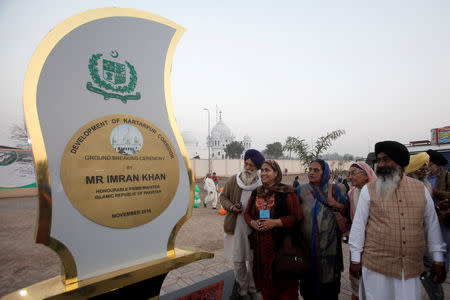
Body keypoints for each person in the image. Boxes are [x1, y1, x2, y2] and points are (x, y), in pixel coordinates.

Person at [349, 141, 446, 300]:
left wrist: (438, 259)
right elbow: (358, 227)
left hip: (409, 269)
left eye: (385, 160)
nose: (380, 165)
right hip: (376, 268)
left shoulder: (421, 189)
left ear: (400, 162)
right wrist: (355, 259)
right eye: (379, 160)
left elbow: (432, 226)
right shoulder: (369, 190)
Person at [244, 160, 303, 300]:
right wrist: (252, 223)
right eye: (262, 170)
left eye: (267, 170)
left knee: (285, 289)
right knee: (267, 289)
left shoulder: (287, 191)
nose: (263, 173)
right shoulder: (256, 192)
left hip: (282, 249)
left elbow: (297, 216)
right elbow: (247, 214)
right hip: (261, 250)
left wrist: (275, 222)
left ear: (276, 172)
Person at [297, 159, 349, 300]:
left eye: (316, 170)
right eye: (310, 169)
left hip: (330, 247)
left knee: (329, 285)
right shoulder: (301, 190)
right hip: (308, 246)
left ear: (324, 173)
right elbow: (294, 213)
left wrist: (335, 204)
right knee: (309, 284)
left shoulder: (335, 190)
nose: (311, 173)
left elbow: (346, 210)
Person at [220, 149, 265, 299]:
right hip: (235, 226)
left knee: (253, 262)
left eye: (252, 165)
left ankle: (253, 289)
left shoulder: (262, 184)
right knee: (238, 261)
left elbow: (267, 206)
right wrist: (232, 207)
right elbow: (223, 197)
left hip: (254, 230)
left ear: (257, 167)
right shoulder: (234, 180)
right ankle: (243, 291)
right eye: (246, 164)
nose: (247, 168)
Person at [347, 162, 377, 300]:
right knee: (356, 276)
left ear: (366, 176)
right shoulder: (351, 193)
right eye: (349, 173)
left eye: (353, 173)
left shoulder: (377, 193)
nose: (350, 177)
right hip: (358, 242)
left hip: (374, 244)